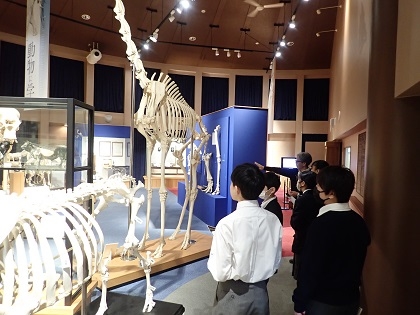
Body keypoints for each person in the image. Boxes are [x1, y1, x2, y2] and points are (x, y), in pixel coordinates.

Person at [292, 166, 371, 315]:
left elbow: (310, 269)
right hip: (351, 299)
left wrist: (299, 302)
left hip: (324, 302)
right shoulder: (358, 222)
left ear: (331, 193)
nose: (316, 187)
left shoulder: (321, 225)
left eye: (319, 185)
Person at [208, 163, 282, 315]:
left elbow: (220, 272)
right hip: (261, 292)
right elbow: (275, 261)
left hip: (232, 293)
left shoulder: (227, 224)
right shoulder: (273, 220)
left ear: (236, 188)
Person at [290, 170, 320, 280]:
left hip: (302, 238)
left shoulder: (302, 200)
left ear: (302, 183)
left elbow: (295, 222)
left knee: (301, 270)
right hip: (315, 238)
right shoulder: (317, 197)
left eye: (298, 180)